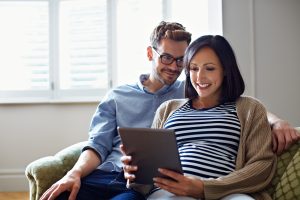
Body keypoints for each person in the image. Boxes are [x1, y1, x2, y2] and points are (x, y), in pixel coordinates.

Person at [40, 21, 298, 200]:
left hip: (207, 189)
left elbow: (250, 119)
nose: (178, 68)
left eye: (182, 61)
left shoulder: (226, 101)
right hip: (141, 182)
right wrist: (131, 172)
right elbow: (100, 145)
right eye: (193, 68)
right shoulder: (161, 104)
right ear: (151, 54)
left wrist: (277, 121)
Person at [121, 35, 277, 200]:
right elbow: (149, 176)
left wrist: (205, 187)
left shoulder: (250, 109)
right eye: (194, 68)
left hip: (228, 193)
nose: (200, 77)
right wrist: (135, 171)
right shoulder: (167, 109)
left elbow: (261, 165)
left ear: (225, 70)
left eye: (209, 68)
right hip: (172, 193)